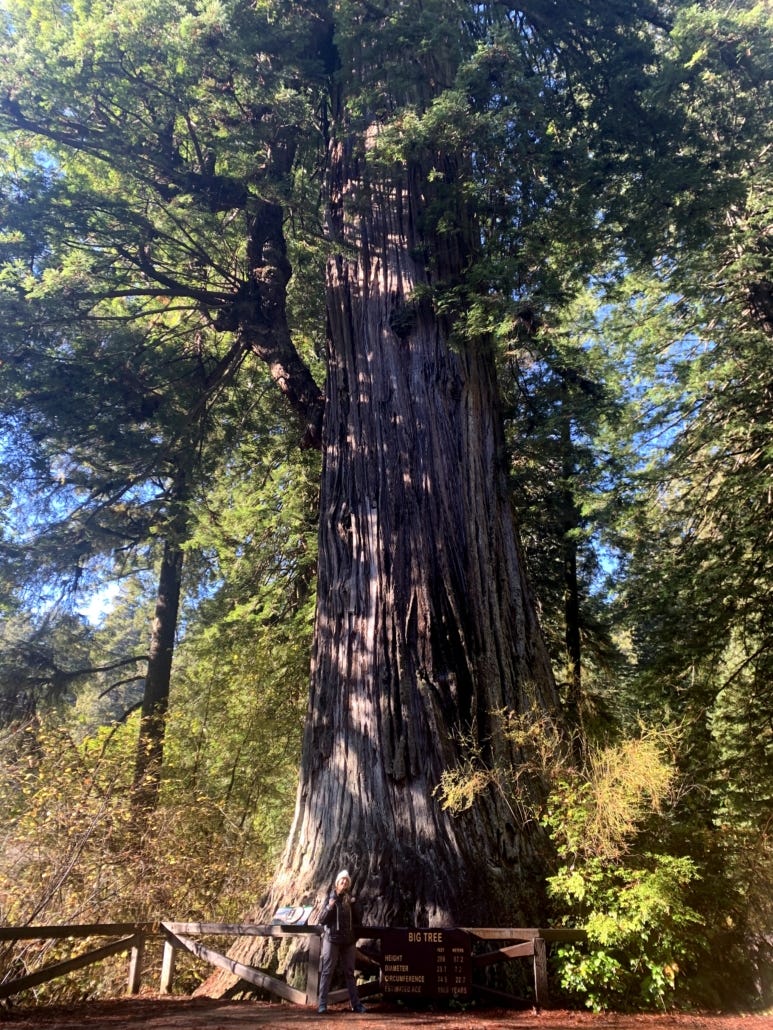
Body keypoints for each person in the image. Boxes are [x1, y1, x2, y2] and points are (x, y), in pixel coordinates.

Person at [317, 868, 366, 1014]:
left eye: (346, 881)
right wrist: (329, 906)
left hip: (348, 941)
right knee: (327, 971)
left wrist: (355, 904)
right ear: (337, 882)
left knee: (350, 973)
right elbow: (322, 919)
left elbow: (358, 919)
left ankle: (356, 1004)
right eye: (342, 880)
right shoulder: (330, 897)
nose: (344, 882)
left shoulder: (350, 899)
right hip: (331, 939)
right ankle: (322, 1004)